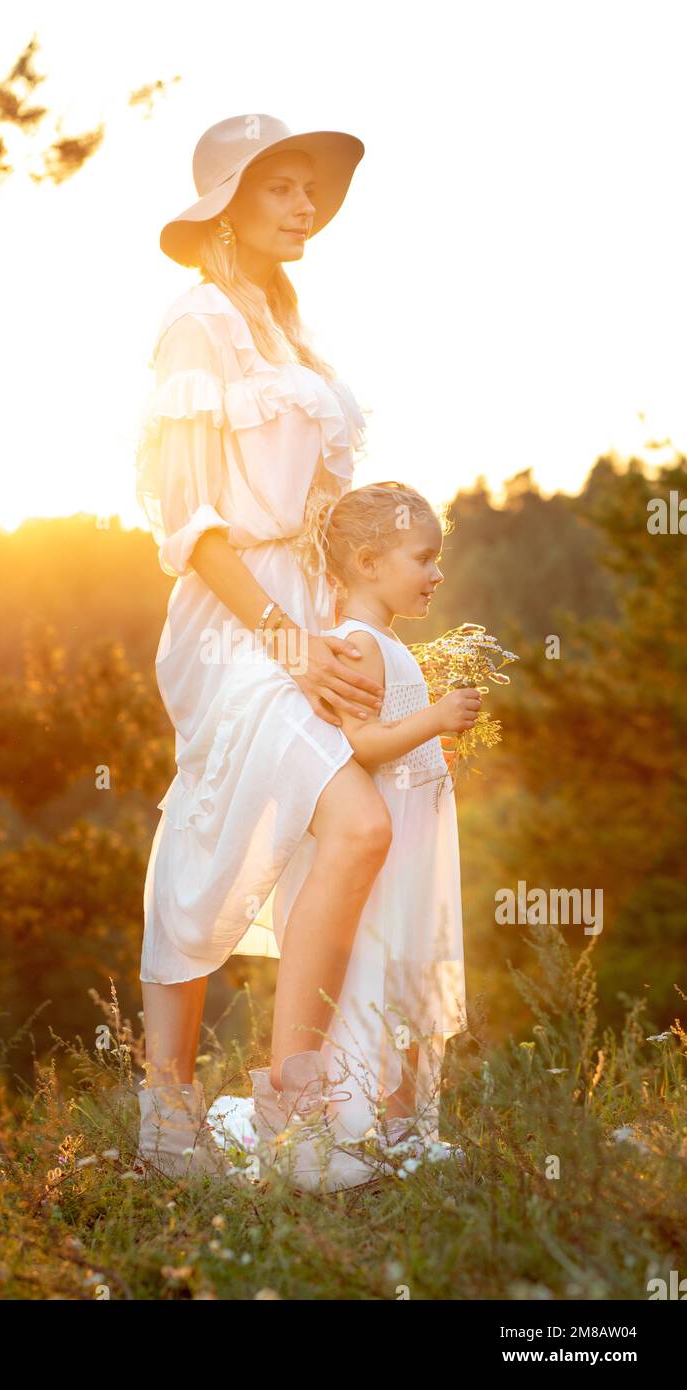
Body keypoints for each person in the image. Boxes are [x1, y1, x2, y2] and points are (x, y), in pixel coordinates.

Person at [135, 114, 394, 1191]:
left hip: (306, 612)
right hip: (232, 617)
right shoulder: (196, 325)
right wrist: (284, 638)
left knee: (264, 828)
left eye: (310, 189)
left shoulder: (289, 333)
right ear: (226, 204)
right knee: (340, 819)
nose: (305, 206)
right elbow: (184, 523)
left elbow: (322, 509)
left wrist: (353, 623)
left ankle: (191, 1108)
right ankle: (280, 1113)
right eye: (279, 187)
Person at [260, 480, 478, 1169]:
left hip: (415, 844)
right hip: (389, 856)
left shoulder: (380, 639)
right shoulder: (353, 643)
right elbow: (361, 741)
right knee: (385, 974)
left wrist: (431, 735)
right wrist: (436, 718)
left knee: (415, 973)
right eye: (424, 558)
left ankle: (408, 1127)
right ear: (366, 563)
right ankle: (365, 1122)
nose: (437, 573)